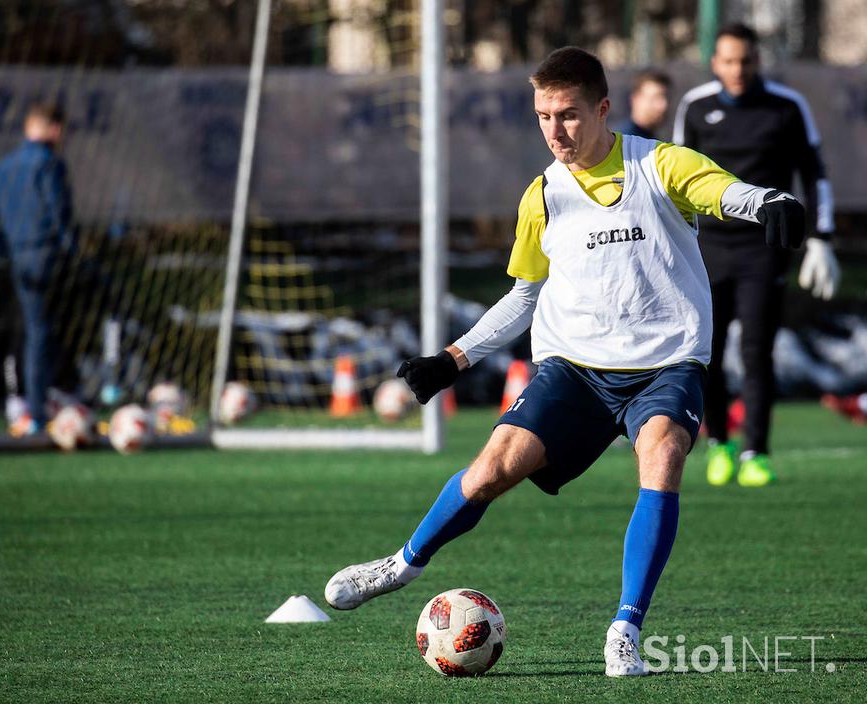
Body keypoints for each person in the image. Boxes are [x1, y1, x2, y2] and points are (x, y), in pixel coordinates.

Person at [324, 47, 806, 677]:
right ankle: (402, 563)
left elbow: (724, 192)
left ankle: (626, 629)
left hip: (666, 364)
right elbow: (525, 295)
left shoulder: (659, 164)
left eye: (570, 115)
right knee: (491, 471)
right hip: (575, 366)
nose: (555, 131)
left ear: (603, 109)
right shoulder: (542, 197)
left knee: (661, 456)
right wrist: (454, 358)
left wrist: (770, 202)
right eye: (543, 116)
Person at [673, 24, 840, 487]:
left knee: (756, 351)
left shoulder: (787, 107)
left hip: (764, 248)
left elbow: (814, 173)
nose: (737, 70)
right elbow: (674, 180)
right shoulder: (697, 107)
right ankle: (719, 442)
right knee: (706, 351)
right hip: (708, 248)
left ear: (757, 60)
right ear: (715, 63)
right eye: (728, 61)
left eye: (745, 61)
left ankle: (755, 451)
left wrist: (821, 238)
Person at [0, 102, 75, 436]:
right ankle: (38, 410)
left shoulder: (6, 167)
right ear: (53, 129)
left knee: (32, 329)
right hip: (45, 255)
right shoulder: (49, 164)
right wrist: (72, 252)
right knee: (41, 333)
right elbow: (59, 215)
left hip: (19, 258)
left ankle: (34, 403)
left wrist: (4, 249)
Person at [616, 69, 672, 139]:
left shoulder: (650, 139)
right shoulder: (624, 141)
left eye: (667, 97)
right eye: (656, 97)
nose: (664, 105)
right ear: (635, 99)